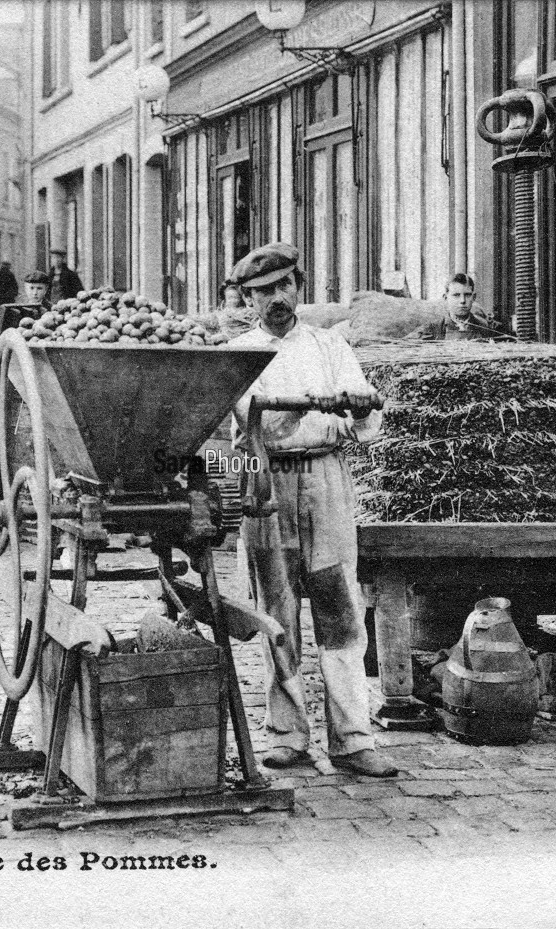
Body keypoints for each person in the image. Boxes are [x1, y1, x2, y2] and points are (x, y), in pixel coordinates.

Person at [229, 242, 399, 779]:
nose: (277, 299)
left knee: (341, 611)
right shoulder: (239, 355)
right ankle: (287, 735)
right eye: (263, 293)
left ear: (298, 286)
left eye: (285, 286)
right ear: (247, 301)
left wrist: (361, 405)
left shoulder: (331, 346)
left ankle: (353, 737)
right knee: (277, 615)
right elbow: (248, 428)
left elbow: (367, 423)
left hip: (326, 478)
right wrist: (300, 405)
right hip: (269, 484)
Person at [428, 272, 501, 340]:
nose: (462, 300)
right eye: (456, 295)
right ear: (446, 298)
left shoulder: (485, 328)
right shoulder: (433, 329)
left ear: (474, 297)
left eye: (467, 295)